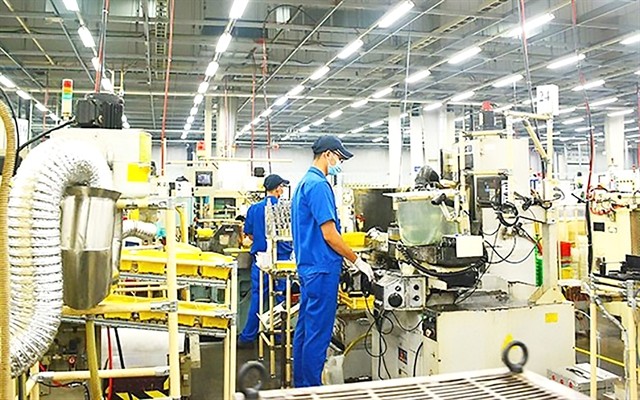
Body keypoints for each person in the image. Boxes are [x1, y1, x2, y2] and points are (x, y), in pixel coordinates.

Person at [291, 135, 374, 388]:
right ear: (328, 154)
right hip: (322, 270)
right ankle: (311, 390)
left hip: (309, 268)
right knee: (318, 335)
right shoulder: (318, 185)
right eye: (339, 157)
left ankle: (301, 386)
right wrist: (357, 259)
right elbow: (329, 234)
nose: (339, 162)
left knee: (305, 331)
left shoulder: (303, 183)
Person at [238, 174, 293, 346]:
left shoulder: (254, 209)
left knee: (258, 298)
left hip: (261, 261)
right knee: (281, 300)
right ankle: (279, 335)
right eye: (282, 187)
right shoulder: (286, 208)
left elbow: (249, 234)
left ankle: (247, 337)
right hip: (282, 261)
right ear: (277, 188)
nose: (282, 190)